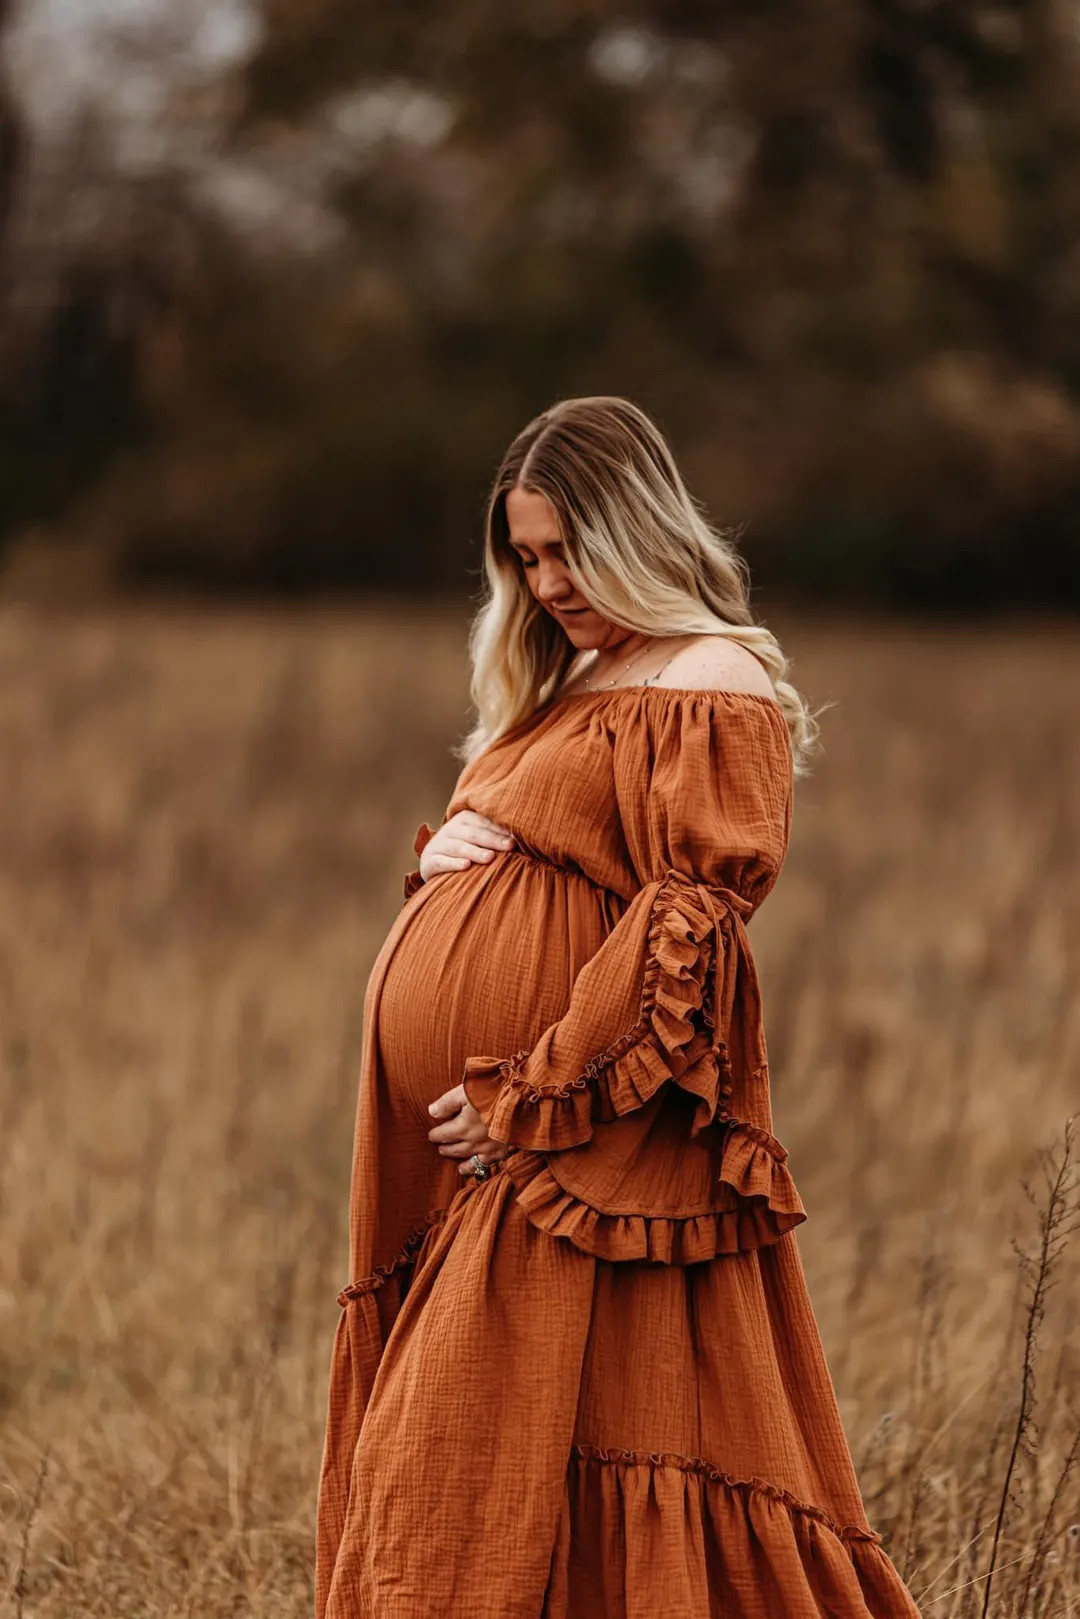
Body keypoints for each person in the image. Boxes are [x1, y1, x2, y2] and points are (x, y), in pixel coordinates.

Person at [315, 396, 922, 1618]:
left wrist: (535, 1094)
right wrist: (458, 861)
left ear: (633, 530)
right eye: (523, 557)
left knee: (459, 1456)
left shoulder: (712, 675)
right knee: (495, 1458)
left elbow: (692, 923)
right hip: (477, 1138)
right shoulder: (578, 674)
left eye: (563, 551)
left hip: (569, 1140)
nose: (544, 583)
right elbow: (568, 868)